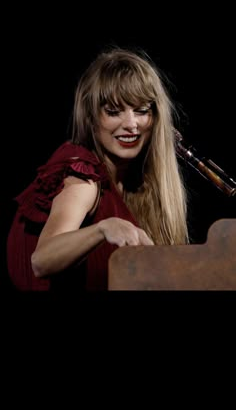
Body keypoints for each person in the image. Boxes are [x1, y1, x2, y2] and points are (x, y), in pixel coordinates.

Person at [7, 47, 189, 291]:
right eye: (113, 112)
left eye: (141, 110)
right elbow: (41, 261)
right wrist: (105, 228)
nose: (131, 125)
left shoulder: (137, 183)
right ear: (92, 117)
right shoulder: (84, 179)